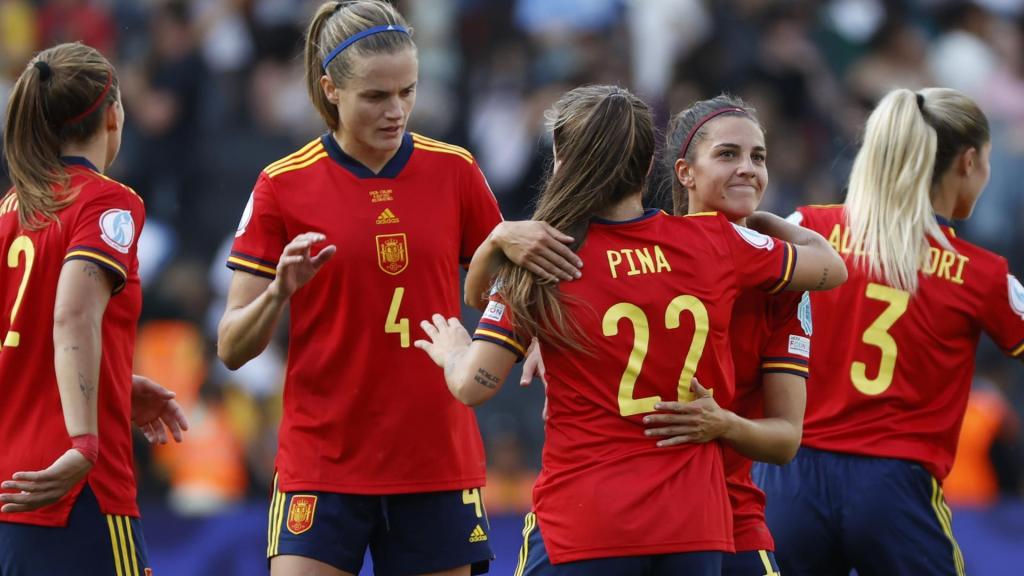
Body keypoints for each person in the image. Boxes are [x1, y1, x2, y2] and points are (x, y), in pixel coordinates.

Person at [416, 84, 845, 575]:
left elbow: (475, 384)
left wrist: (453, 349)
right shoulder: (716, 241)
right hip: (694, 526)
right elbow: (830, 267)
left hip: (586, 522)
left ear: (561, 161)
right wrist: (759, 225)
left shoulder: (538, 257)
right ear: (650, 167)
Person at [216, 2, 574, 575]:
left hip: (434, 458)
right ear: (331, 89)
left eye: (407, 91)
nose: (398, 110)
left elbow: (501, 285)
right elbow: (231, 347)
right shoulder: (282, 186)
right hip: (323, 461)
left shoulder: (454, 171)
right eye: (377, 97)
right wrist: (278, 293)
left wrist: (531, 334)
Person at [754, 87, 1024, 576]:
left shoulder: (806, 229)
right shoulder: (978, 273)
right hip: (894, 487)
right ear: (968, 162)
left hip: (790, 479)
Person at [0, 42, 188, 575]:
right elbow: (72, 316)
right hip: (77, 491)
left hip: (11, 489)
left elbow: (26, 338)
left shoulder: (11, 211)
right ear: (113, 115)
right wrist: (84, 442)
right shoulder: (107, 202)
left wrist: (116, 384)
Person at [631, 95, 812, 576]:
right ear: (685, 172)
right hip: (626, 513)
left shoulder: (787, 288)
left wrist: (725, 425)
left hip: (732, 516)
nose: (748, 169)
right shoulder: (640, 257)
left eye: (758, 157)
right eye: (728, 154)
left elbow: (786, 438)